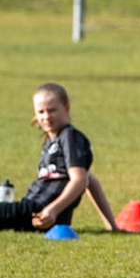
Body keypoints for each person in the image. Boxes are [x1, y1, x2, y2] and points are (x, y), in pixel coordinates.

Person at [0, 83, 116, 233]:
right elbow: (90, 180)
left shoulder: (70, 137)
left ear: (66, 108)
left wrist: (53, 210)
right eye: (41, 112)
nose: (46, 116)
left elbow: (80, 180)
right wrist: (111, 225)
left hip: (42, 211)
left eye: (52, 110)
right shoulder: (53, 140)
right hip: (33, 210)